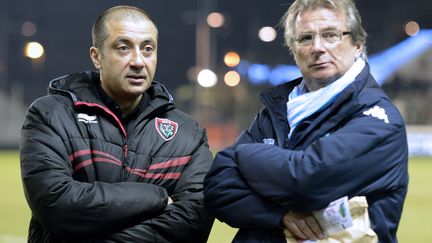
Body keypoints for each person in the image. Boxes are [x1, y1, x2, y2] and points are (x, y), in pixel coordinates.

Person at [204, 0, 408, 242]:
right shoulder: (276, 109)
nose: (317, 47)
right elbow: (217, 187)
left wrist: (239, 155)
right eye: (305, 38)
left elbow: (305, 180)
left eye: (330, 35)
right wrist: (279, 215)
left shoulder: (379, 118)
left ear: (357, 45)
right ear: (294, 49)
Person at [20, 5, 214, 242]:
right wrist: (157, 198)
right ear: (97, 56)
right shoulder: (51, 115)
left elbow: (193, 222)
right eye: (123, 48)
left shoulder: (187, 134)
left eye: (148, 49)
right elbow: (55, 203)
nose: (138, 61)